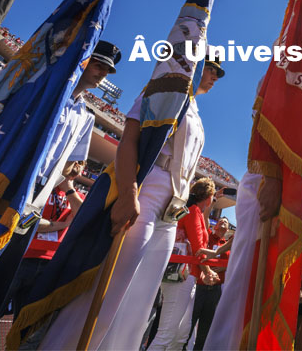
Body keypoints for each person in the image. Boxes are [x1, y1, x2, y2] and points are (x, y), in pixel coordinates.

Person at [37, 55, 223, 350]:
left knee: (141, 300)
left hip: (174, 202)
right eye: (212, 69)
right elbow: (130, 139)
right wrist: (128, 191)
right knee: (111, 287)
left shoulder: (197, 112)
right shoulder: (166, 88)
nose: (215, 77)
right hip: (150, 183)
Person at [0, 41, 119, 350]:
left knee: (0, 275)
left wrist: (72, 170)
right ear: (84, 62)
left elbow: (71, 163)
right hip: (11, 179)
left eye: (106, 70)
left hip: (38, 194)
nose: (101, 73)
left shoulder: (86, 115)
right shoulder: (48, 94)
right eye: (98, 65)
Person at [5, 160, 86, 319]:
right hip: (21, 258)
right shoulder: (41, 189)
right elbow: (25, 223)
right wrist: (62, 224)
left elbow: (82, 218)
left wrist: (69, 191)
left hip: (49, 263)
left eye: (80, 163)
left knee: (28, 322)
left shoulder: (77, 197)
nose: (76, 165)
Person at [149, 177, 219, 351]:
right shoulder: (192, 210)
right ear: (209, 197)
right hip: (182, 276)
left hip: (186, 276)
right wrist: (208, 271)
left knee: (181, 335)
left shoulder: (187, 209)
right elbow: (198, 247)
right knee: (167, 334)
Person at [188, 215, 230, 350]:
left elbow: (236, 261)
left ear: (228, 229)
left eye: (226, 222)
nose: (223, 222)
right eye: (221, 221)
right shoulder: (208, 236)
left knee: (206, 325)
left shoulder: (228, 245)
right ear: (215, 226)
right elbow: (204, 219)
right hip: (200, 285)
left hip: (215, 290)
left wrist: (224, 266)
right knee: (190, 322)